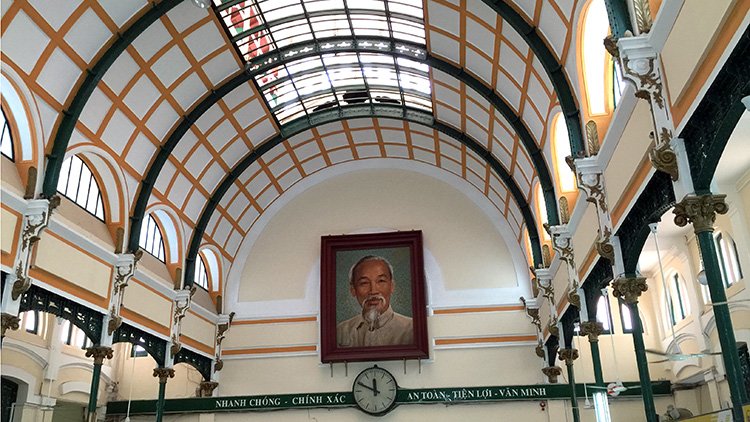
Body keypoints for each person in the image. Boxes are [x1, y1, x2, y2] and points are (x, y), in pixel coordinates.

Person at [337, 255, 413, 347]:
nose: (373, 291)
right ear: (353, 290)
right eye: (364, 283)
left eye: (381, 281)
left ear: (392, 286)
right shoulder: (341, 331)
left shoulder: (411, 329)